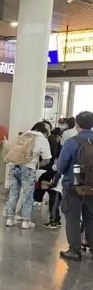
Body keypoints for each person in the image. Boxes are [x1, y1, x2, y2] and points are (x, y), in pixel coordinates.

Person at [56, 111, 93, 261]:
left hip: (73, 184)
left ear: (77, 124)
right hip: (92, 186)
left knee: (72, 217)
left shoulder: (72, 142)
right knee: (91, 217)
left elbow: (61, 166)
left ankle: (74, 250)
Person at [5, 121, 52, 229]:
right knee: (27, 195)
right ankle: (26, 221)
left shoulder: (23, 135)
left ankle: (10, 219)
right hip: (28, 168)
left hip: (13, 166)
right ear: (45, 131)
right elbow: (47, 159)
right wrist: (37, 165)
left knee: (13, 193)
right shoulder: (41, 139)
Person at [35, 127, 62, 210]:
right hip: (51, 166)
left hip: (47, 166)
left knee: (43, 183)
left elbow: (49, 156)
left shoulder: (49, 141)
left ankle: (38, 200)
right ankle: (49, 199)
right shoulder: (53, 141)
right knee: (46, 184)